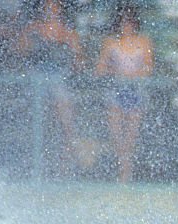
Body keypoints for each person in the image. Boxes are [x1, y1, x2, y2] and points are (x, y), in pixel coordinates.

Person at [17, 0, 83, 172]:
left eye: (54, 7)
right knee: (39, 111)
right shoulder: (33, 28)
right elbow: (20, 52)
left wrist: (72, 55)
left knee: (63, 108)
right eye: (47, 7)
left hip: (59, 78)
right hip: (36, 79)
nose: (51, 10)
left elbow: (78, 62)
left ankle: (67, 155)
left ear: (61, 10)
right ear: (41, 10)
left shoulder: (68, 32)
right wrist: (29, 41)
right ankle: (36, 159)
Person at [95, 4, 153, 183]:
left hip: (136, 91)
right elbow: (100, 69)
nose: (126, 25)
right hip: (115, 90)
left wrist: (131, 75)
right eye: (122, 21)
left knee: (131, 136)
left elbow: (149, 68)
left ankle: (126, 173)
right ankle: (121, 170)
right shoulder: (110, 42)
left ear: (135, 22)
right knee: (116, 135)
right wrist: (114, 73)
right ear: (117, 22)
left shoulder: (144, 41)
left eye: (129, 21)